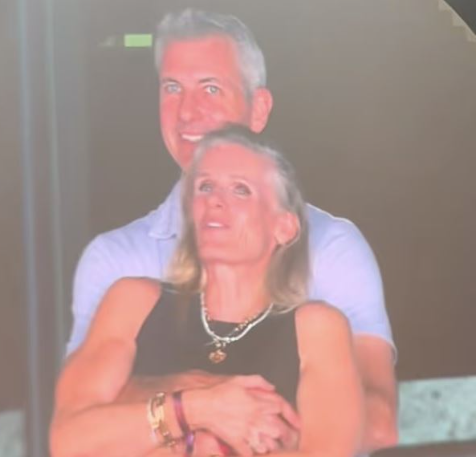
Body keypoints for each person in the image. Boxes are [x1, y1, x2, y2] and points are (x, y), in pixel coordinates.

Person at [66, 9, 397, 454]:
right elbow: (77, 424)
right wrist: (206, 403)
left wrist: (187, 410)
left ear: (258, 109)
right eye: (172, 88)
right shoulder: (114, 260)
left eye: (211, 88)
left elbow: (377, 422)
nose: (187, 112)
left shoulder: (332, 247)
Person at [51, 128, 365, 456]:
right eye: (205, 186)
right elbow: (70, 443)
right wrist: (198, 409)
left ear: (283, 227)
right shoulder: (133, 301)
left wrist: (160, 438)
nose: (213, 200)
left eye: (241, 189)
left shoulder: (316, 327)